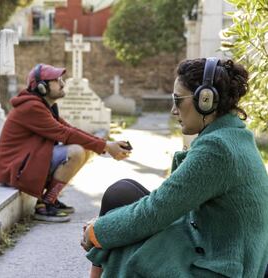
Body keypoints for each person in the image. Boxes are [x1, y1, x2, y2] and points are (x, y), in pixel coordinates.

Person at [81, 58, 268, 277]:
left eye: (178, 100)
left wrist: (97, 231)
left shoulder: (217, 148)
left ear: (205, 100)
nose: (173, 110)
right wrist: (104, 229)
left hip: (224, 266)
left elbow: (156, 210)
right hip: (215, 244)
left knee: (119, 243)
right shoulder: (232, 134)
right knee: (122, 192)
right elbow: (167, 201)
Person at [0, 63, 130, 222]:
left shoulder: (45, 106)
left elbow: (70, 130)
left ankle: (50, 199)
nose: (62, 83)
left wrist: (106, 144)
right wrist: (107, 147)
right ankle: (45, 205)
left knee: (84, 149)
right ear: (41, 87)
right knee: (76, 152)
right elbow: (66, 133)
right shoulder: (31, 107)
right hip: (15, 168)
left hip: (27, 161)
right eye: (57, 80)